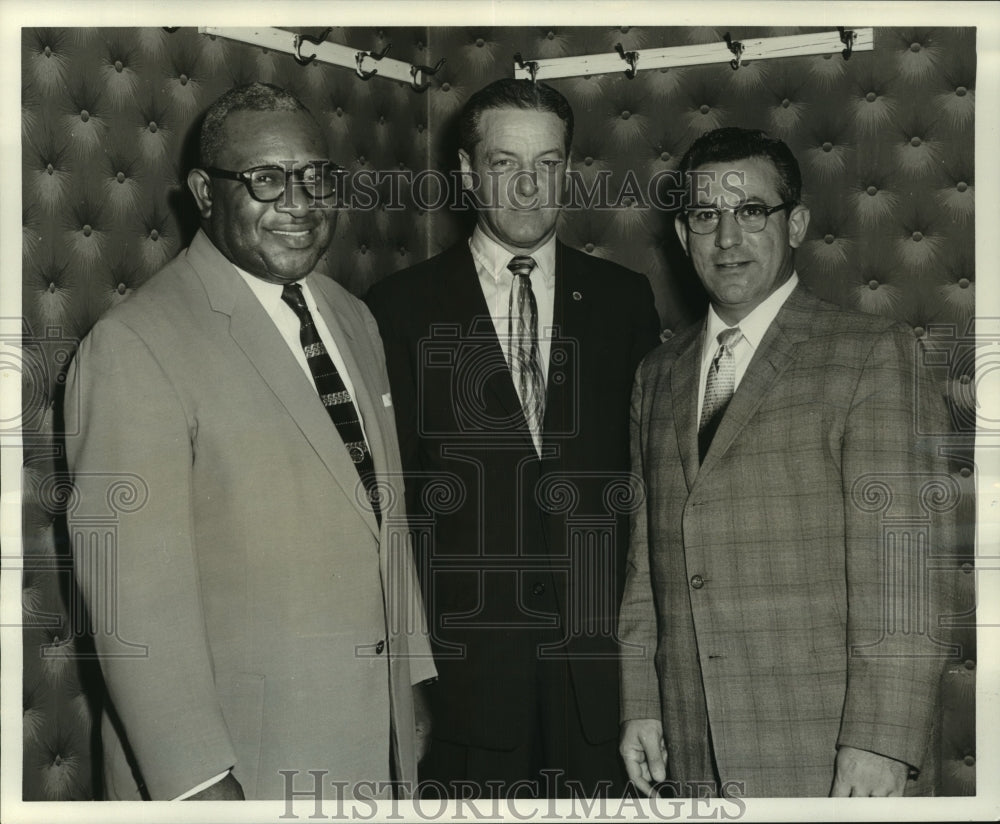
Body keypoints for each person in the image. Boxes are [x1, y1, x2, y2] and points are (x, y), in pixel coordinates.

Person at [64, 82, 434, 801]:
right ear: (205, 192)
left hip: (370, 743)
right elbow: (128, 601)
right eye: (265, 179)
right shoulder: (135, 344)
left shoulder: (351, 315)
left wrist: (410, 680)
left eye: (316, 177)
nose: (298, 202)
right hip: (241, 763)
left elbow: (382, 516)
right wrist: (197, 780)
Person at [618, 126, 955, 798]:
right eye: (705, 216)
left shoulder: (870, 353)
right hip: (688, 745)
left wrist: (879, 742)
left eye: (751, 212)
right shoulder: (657, 375)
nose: (727, 239)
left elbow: (906, 568)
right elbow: (643, 563)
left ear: (795, 223)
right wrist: (642, 702)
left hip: (827, 749)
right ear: (682, 236)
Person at [366, 78, 661, 798]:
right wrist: (407, 683)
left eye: (548, 164)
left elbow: (650, 496)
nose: (528, 187)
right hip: (462, 690)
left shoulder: (625, 301)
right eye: (504, 164)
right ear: (467, 174)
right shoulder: (399, 308)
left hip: (601, 687)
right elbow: (389, 512)